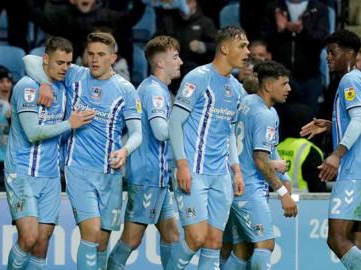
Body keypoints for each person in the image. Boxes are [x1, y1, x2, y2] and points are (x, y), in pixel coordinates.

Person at [23, 32, 143, 270]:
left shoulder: (126, 89)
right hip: (78, 169)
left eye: (100, 55)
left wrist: (125, 151)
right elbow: (29, 60)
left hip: (110, 173)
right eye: (90, 54)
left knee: (102, 241)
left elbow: (137, 132)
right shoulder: (76, 75)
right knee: (92, 231)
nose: (94, 60)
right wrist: (45, 83)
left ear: (113, 58)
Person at [5, 36, 95, 270]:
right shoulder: (26, 87)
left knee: (42, 241)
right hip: (22, 172)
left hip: (51, 176)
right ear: (45, 59)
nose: (64, 68)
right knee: (28, 237)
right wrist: (70, 123)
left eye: (67, 63)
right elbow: (33, 132)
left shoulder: (62, 88)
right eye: (59, 63)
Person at [165, 26, 247, 270]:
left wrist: (237, 169)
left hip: (221, 175)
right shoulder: (198, 78)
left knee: (213, 241)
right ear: (224, 48)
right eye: (242, 46)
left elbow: (229, 131)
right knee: (196, 238)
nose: (248, 51)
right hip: (193, 172)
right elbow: (174, 122)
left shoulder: (237, 89)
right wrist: (181, 164)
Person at [300, 29, 361, 270]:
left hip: (354, 170)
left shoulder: (349, 80)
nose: (328, 57)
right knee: (358, 239)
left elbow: (358, 120)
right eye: (327, 52)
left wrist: (337, 154)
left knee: (336, 238)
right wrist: (331, 124)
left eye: (333, 52)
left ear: (350, 54)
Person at [107, 35, 183, 269]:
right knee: (131, 239)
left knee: (172, 236)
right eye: (175, 56)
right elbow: (161, 131)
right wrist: (188, 125)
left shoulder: (156, 88)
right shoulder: (154, 92)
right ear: (160, 62)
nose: (180, 61)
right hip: (147, 178)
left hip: (157, 178)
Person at [222, 60, 298, 270]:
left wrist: (285, 177)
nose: (289, 89)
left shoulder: (249, 104)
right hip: (248, 189)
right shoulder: (264, 114)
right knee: (265, 244)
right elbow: (260, 159)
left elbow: (267, 150)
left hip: (236, 185)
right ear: (268, 85)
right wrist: (283, 193)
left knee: (242, 250)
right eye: (284, 84)